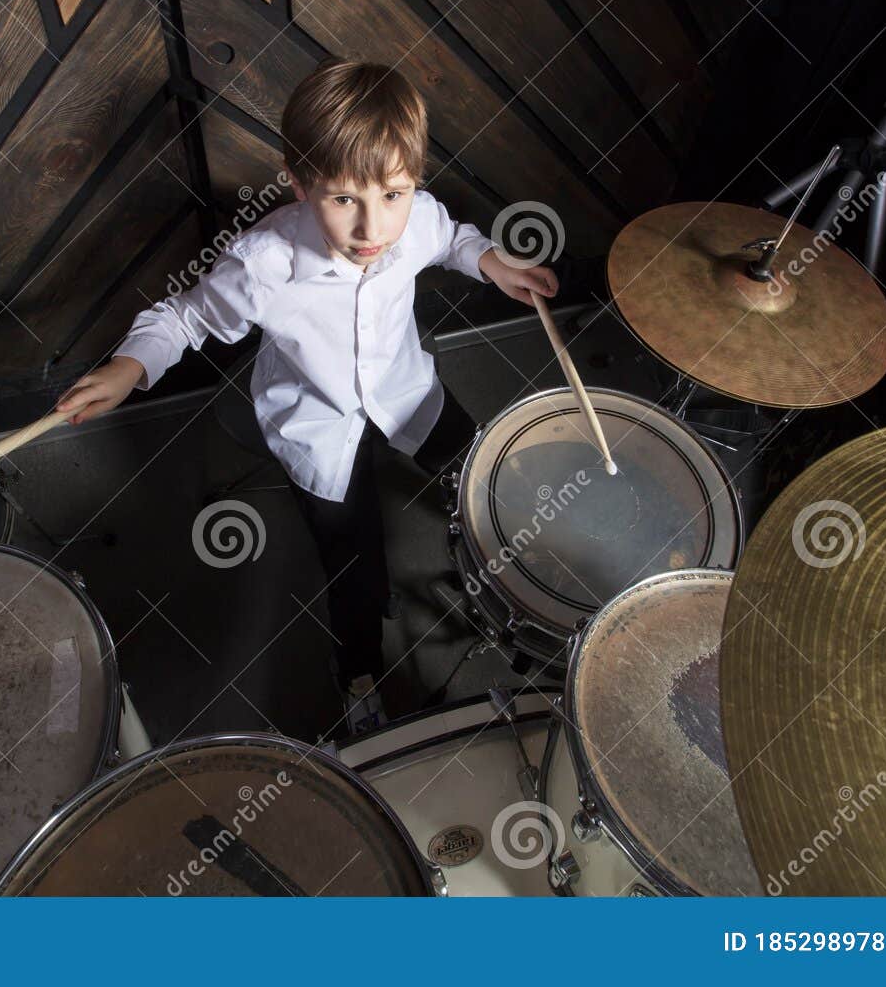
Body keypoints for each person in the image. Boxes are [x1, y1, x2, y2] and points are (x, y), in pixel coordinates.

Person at [53, 58, 558, 735]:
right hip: (315, 426)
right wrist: (128, 365)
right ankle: (357, 672)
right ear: (297, 183)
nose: (371, 228)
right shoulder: (263, 264)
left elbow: (454, 239)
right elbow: (185, 319)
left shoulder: (412, 221)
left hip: (407, 394)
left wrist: (493, 261)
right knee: (354, 565)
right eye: (343, 198)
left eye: (394, 194)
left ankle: (519, 591)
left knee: (486, 469)